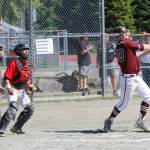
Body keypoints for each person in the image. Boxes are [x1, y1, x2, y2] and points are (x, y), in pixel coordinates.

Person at [103, 26, 150, 132]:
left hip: (136, 78)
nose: (127, 35)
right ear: (121, 36)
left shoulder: (122, 45)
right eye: (125, 34)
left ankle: (140, 121)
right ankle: (109, 120)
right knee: (123, 104)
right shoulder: (126, 43)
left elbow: (135, 56)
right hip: (128, 80)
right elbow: (143, 47)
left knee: (148, 97)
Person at [0, 43, 37, 137]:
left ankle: (16, 127)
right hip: (11, 87)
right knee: (13, 107)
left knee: (30, 108)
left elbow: (26, 78)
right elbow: (7, 77)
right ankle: (2, 129)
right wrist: (8, 88)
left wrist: (30, 86)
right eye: (24, 50)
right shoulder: (14, 62)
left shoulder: (29, 64)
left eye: (27, 50)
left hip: (21, 89)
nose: (27, 51)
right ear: (19, 51)